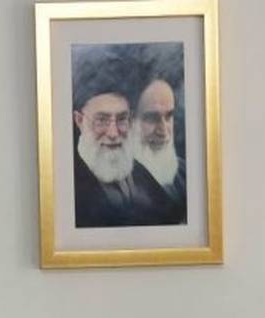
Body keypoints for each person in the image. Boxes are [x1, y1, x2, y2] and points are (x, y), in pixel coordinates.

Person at [71, 53, 178, 228]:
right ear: (80, 121)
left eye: (121, 119)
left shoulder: (139, 173)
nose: (113, 133)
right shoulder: (68, 186)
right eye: (102, 120)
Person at [132, 77, 186, 223]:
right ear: (130, 121)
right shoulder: (121, 187)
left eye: (168, 116)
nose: (164, 131)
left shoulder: (184, 172)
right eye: (152, 118)